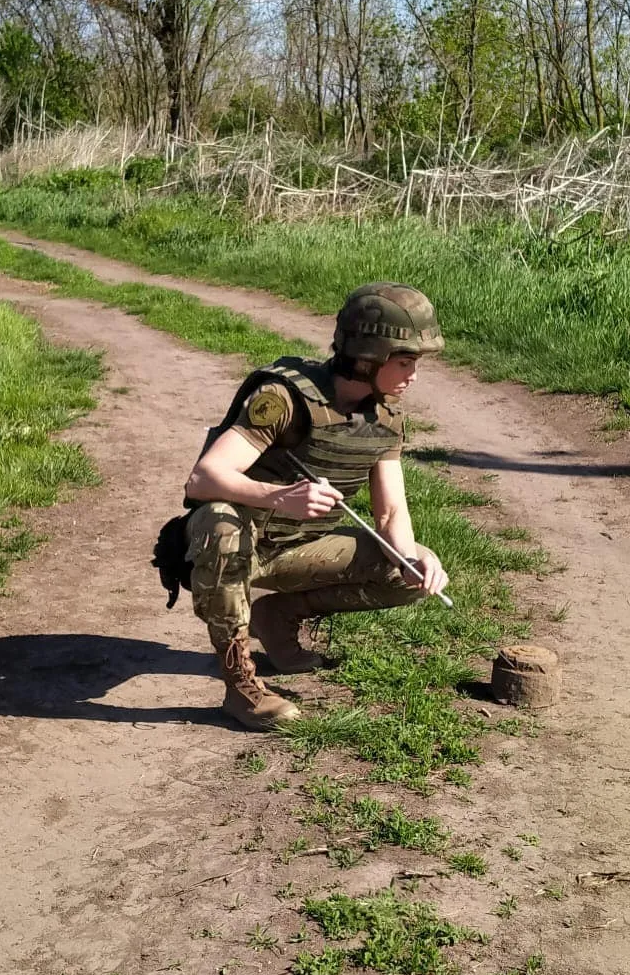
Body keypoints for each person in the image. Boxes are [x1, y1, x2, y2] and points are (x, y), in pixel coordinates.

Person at [183, 283, 450, 730]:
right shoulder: (285, 400)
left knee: (409, 572)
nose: (413, 375)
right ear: (370, 357)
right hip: (240, 546)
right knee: (220, 522)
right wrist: (280, 496)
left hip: (299, 550)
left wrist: (416, 559)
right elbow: (203, 478)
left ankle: (278, 614)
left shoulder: (384, 421)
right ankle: (239, 686)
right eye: (405, 362)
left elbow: (389, 515)